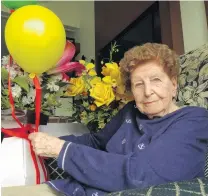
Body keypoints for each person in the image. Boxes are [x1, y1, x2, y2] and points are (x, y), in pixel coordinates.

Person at [2, 43, 208, 196]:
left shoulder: (194, 120)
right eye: (138, 84)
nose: (147, 92)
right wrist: (41, 140)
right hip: (75, 189)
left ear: (173, 85)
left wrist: (60, 149)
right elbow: (97, 141)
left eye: (156, 80)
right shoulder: (130, 111)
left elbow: (141, 176)